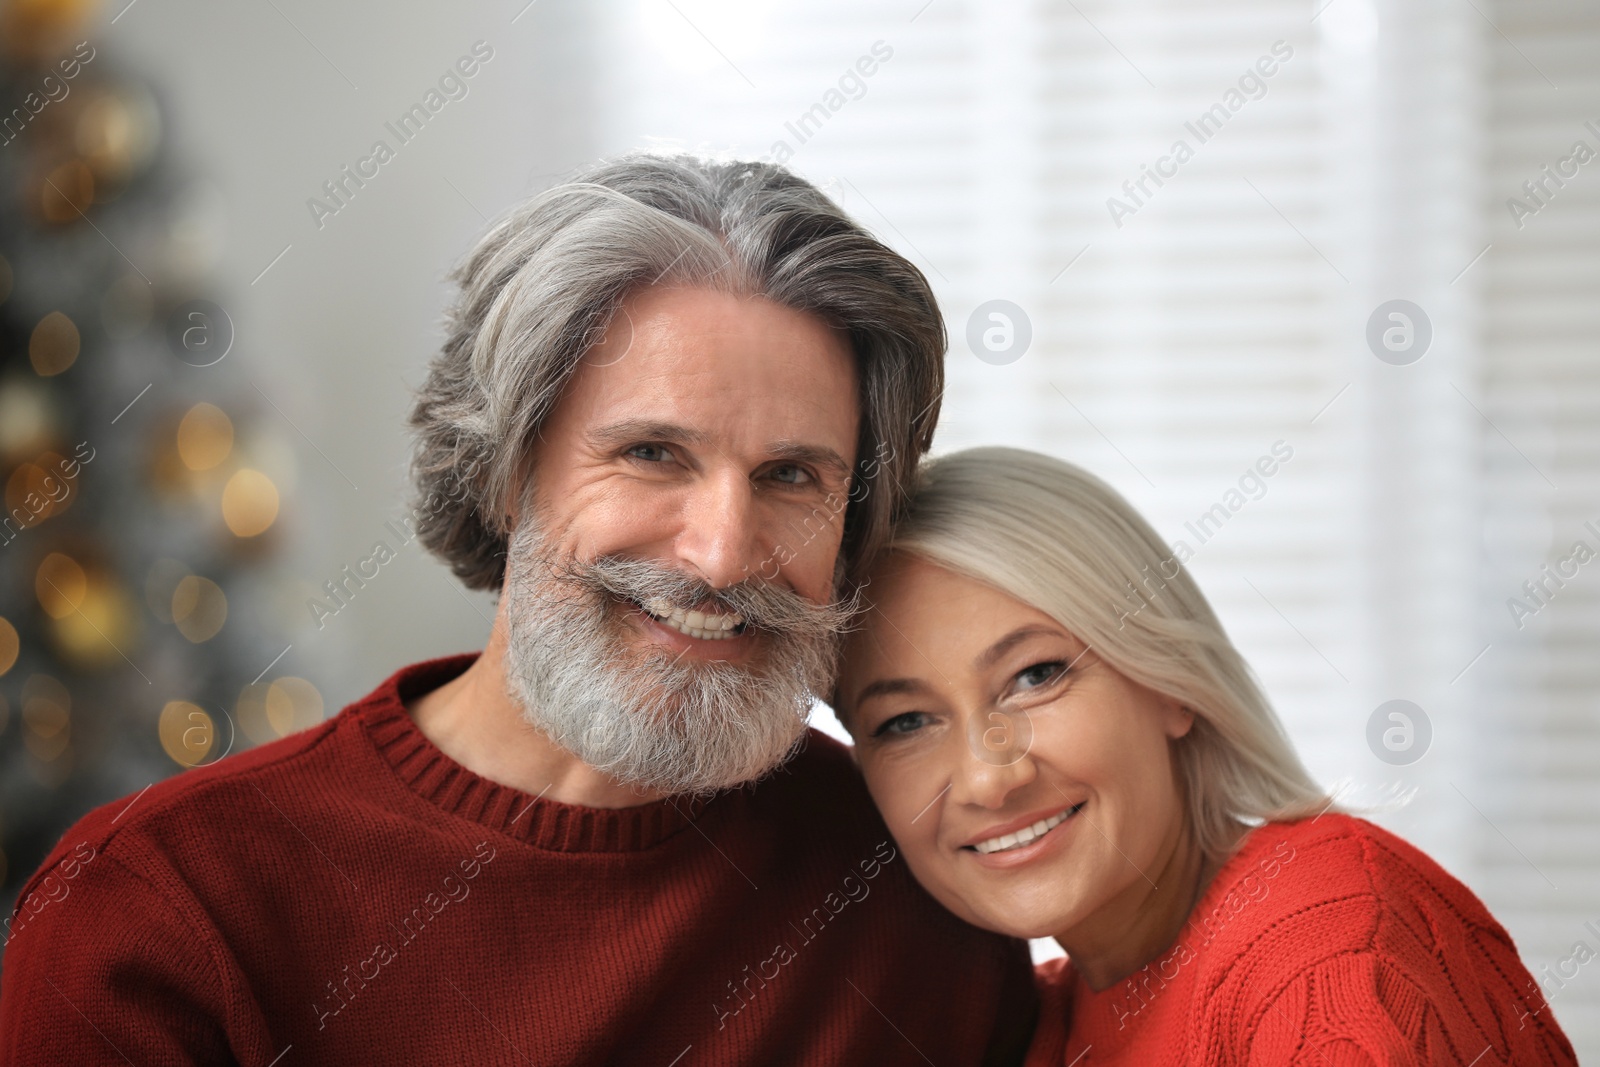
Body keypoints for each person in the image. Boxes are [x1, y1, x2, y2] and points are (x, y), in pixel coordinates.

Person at [0, 157, 1036, 1065]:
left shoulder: (918, 879)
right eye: (651, 453)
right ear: (503, 471)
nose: (721, 552)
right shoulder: (160, 906)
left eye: (793, 476)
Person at [835, 446, 1577, 1065]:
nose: (989, 777)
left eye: (1036, 675)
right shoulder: (1051, 1024)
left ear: (1169, 684)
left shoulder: (1325, 940)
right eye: (904, 722)